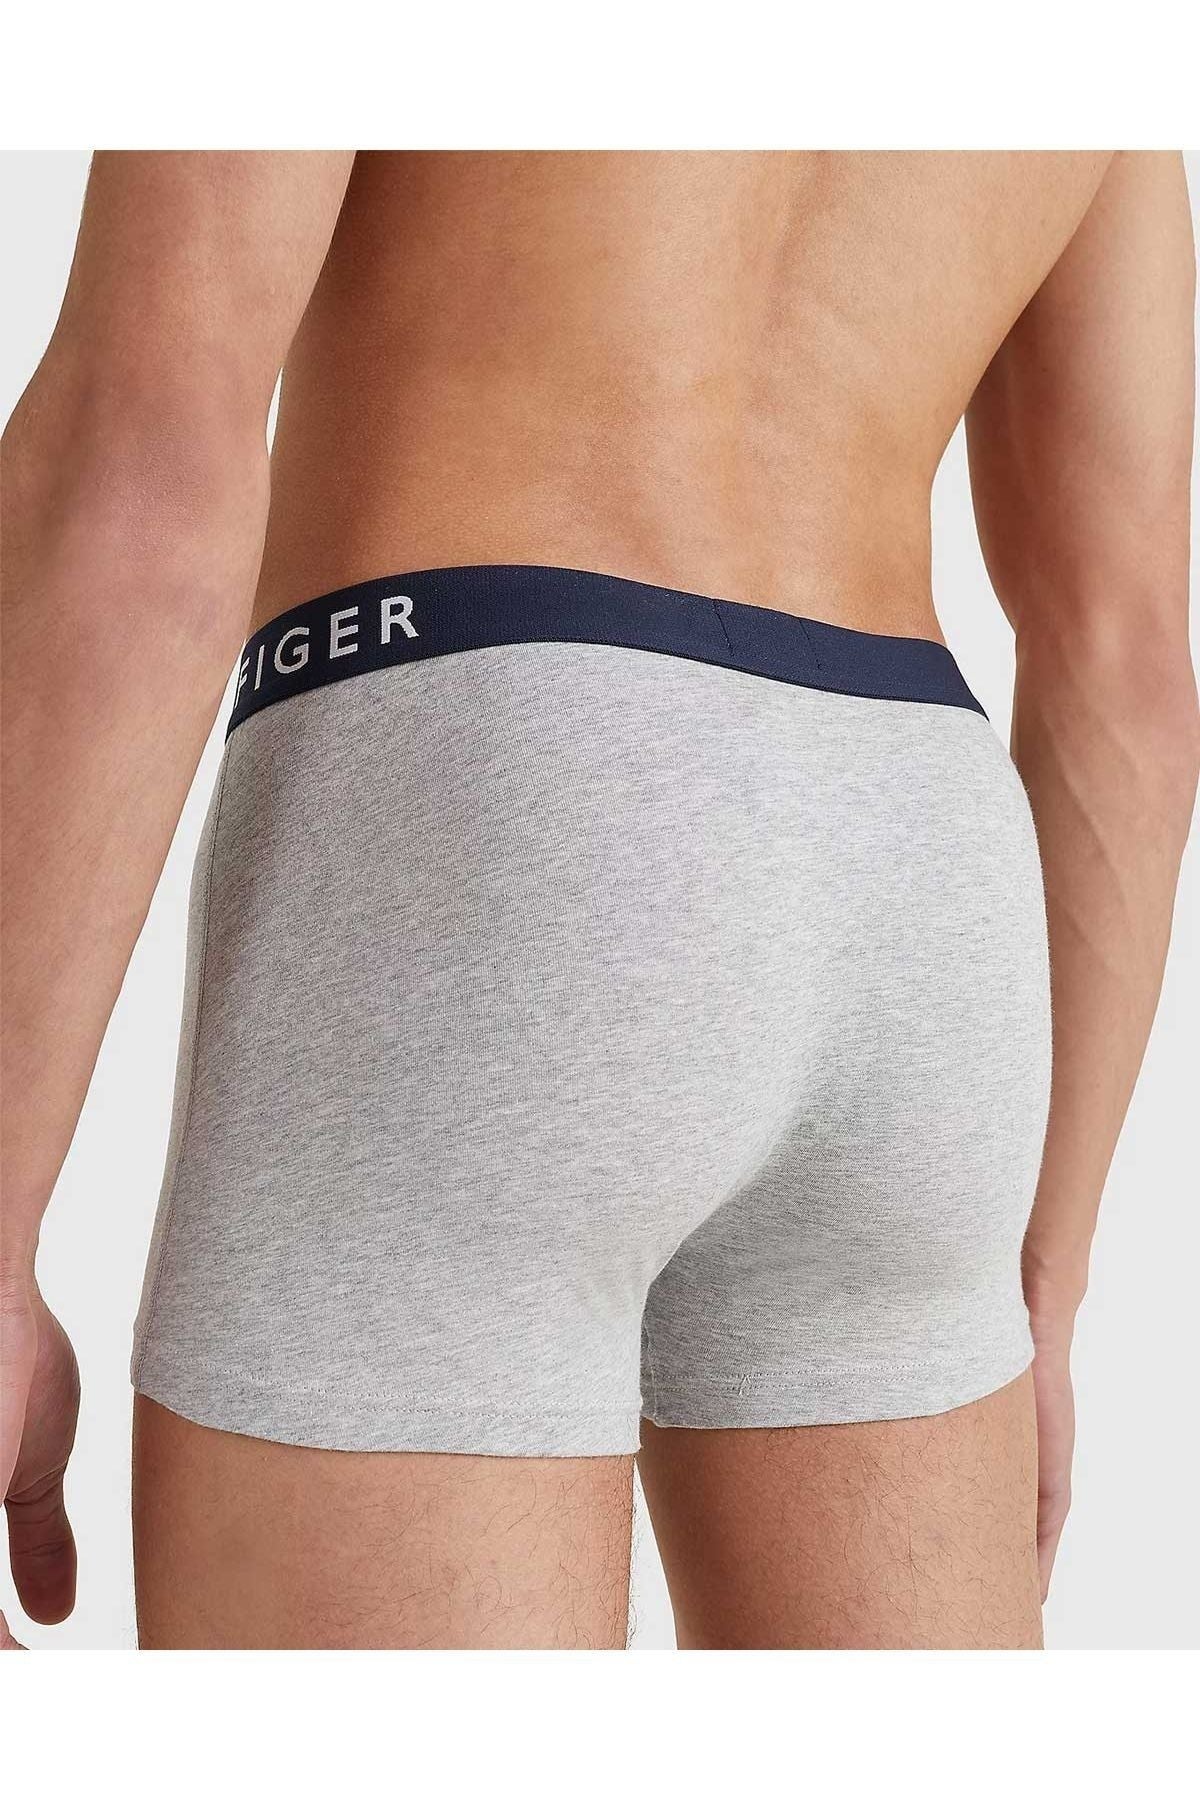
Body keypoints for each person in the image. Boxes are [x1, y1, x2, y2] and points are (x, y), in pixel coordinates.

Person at [2, 151, 1195, 1651]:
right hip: (915, 847)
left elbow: (147, 473)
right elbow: (1127, 664)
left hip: (488, 764)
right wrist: (1038, 1287)